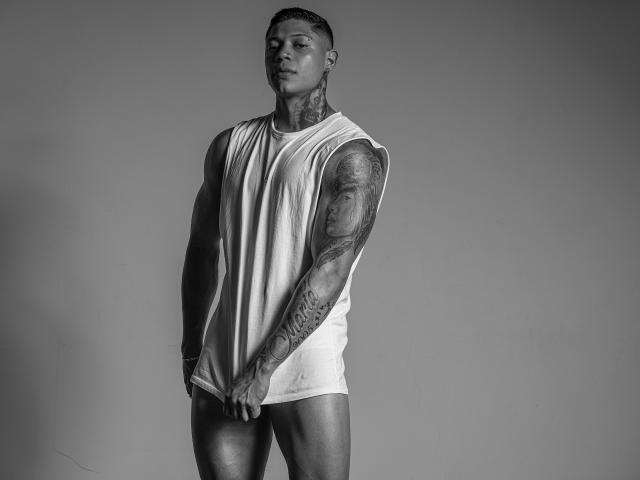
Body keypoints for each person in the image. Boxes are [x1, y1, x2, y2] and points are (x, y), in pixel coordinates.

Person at [181, 7, 389, 480]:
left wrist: (263, 370)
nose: (283, 55)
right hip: (225, 359)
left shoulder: (350, 154)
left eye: (300, 45)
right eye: (273, 45)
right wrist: (192, 346)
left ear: (329, 59)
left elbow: (330, 270)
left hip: (302, 365)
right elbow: (201, 247)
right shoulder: (230, 145)